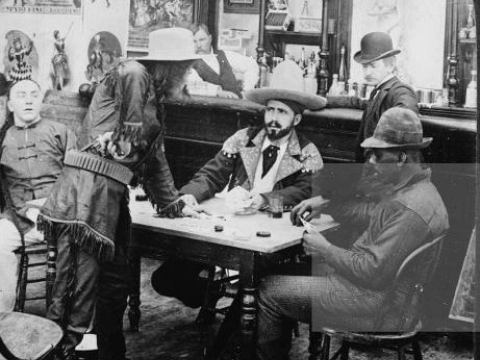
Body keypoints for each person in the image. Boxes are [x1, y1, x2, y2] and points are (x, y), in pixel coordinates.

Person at [40, 28, 201, 360]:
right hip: (86, 192)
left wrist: (173, 203)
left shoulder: (152, 99)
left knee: (114, 287)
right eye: (186, 65)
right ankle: (59, 354)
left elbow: (154, 157)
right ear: (172, 66)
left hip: (111, 195)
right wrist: (124, 134)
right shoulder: (134, 73)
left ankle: (110, 355)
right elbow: (129, 126)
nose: (188, 72)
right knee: (76, 291)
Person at [256, 107, 449, 360]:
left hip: (376, 306)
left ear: (401, 157)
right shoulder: (419, 192)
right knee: (288, 275)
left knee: (269, 290)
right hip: (387, 298)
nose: (371, 161)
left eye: (378, 156)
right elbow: (373, 214)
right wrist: (326, 204)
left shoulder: (408, 208)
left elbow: (371, 271)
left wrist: (324, 249)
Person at [151, 59, 325, 309]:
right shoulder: (244, 139)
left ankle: (235, 325)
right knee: (164, 279)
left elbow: (303, 192)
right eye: (270, 110)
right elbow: (212, 174)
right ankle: (211, 295)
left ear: (296, 119)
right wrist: (190, 195)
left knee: (248, 298)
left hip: (272, 241)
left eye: (282, 112)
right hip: (229, 231)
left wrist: (264, 200)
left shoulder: (307, 153)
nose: (274, 118)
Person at [0, 79, 76, 312]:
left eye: (34, 94)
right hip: (20, 221)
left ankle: (66, 320)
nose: (29, 99)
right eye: (21, 95)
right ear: (10, 104)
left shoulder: (60, 132)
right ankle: (5, 323)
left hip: (60, 218)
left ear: (41, 101)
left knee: (79, 252)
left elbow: (78, 177)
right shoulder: (2, 138)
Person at [327, 31, 417, 162]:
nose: (367, 72)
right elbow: (359, 103)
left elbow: (407, 119)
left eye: (373, 66)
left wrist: (382, 156)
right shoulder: (378, 91)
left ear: (391, 65)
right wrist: (326, 101)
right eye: (365, 66)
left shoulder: (400, 90)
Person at [188, 23, 259, 99]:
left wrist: (247, 90)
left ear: (210, 39)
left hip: (239, 105)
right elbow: (193, 85)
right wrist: (217, 92)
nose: (198, 45)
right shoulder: (190, 63)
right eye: (194, 41)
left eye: (202, 40)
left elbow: (251, 65)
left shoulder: (225, 55)